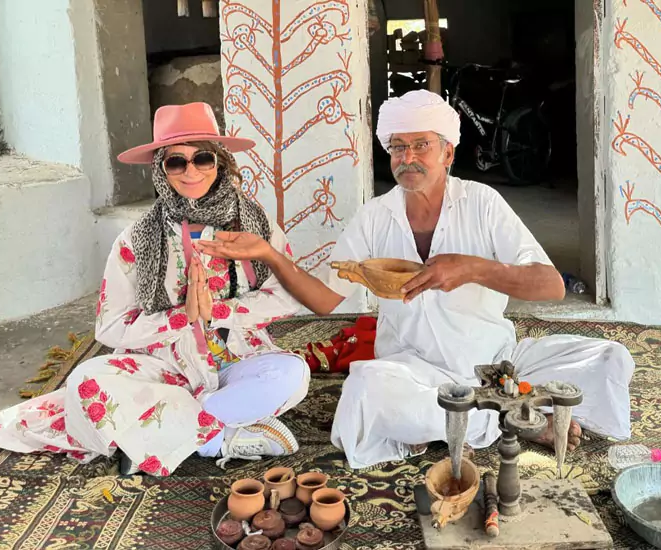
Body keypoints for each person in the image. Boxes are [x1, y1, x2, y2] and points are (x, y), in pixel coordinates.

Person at [196, 90, 636, 470]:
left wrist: (471, 268)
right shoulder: (375, 218)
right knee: (365, 391)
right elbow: (325, 300)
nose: (407, 158)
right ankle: (510, 416)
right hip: (415, 370)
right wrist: (269, 254)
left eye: (421, 145)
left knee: (608, 358)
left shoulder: (482, 203)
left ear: (448, 153)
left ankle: (482, 411)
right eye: (398, 147)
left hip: (497, 360)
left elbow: (550, 285)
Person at [0, 103, 310, 475]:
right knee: (86, 381)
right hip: (162, 368)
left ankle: (162, 433)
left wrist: (217, 311)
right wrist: (181, 317)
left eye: (202, 158)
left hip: (238, 359)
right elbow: (110, 326)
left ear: (220, 162)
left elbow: (287, 294)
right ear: (160, 170)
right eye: (176, 162)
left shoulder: (257, 225)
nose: (191, 172)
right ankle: (218, 437)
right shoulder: (135, 240)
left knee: (292, 375)